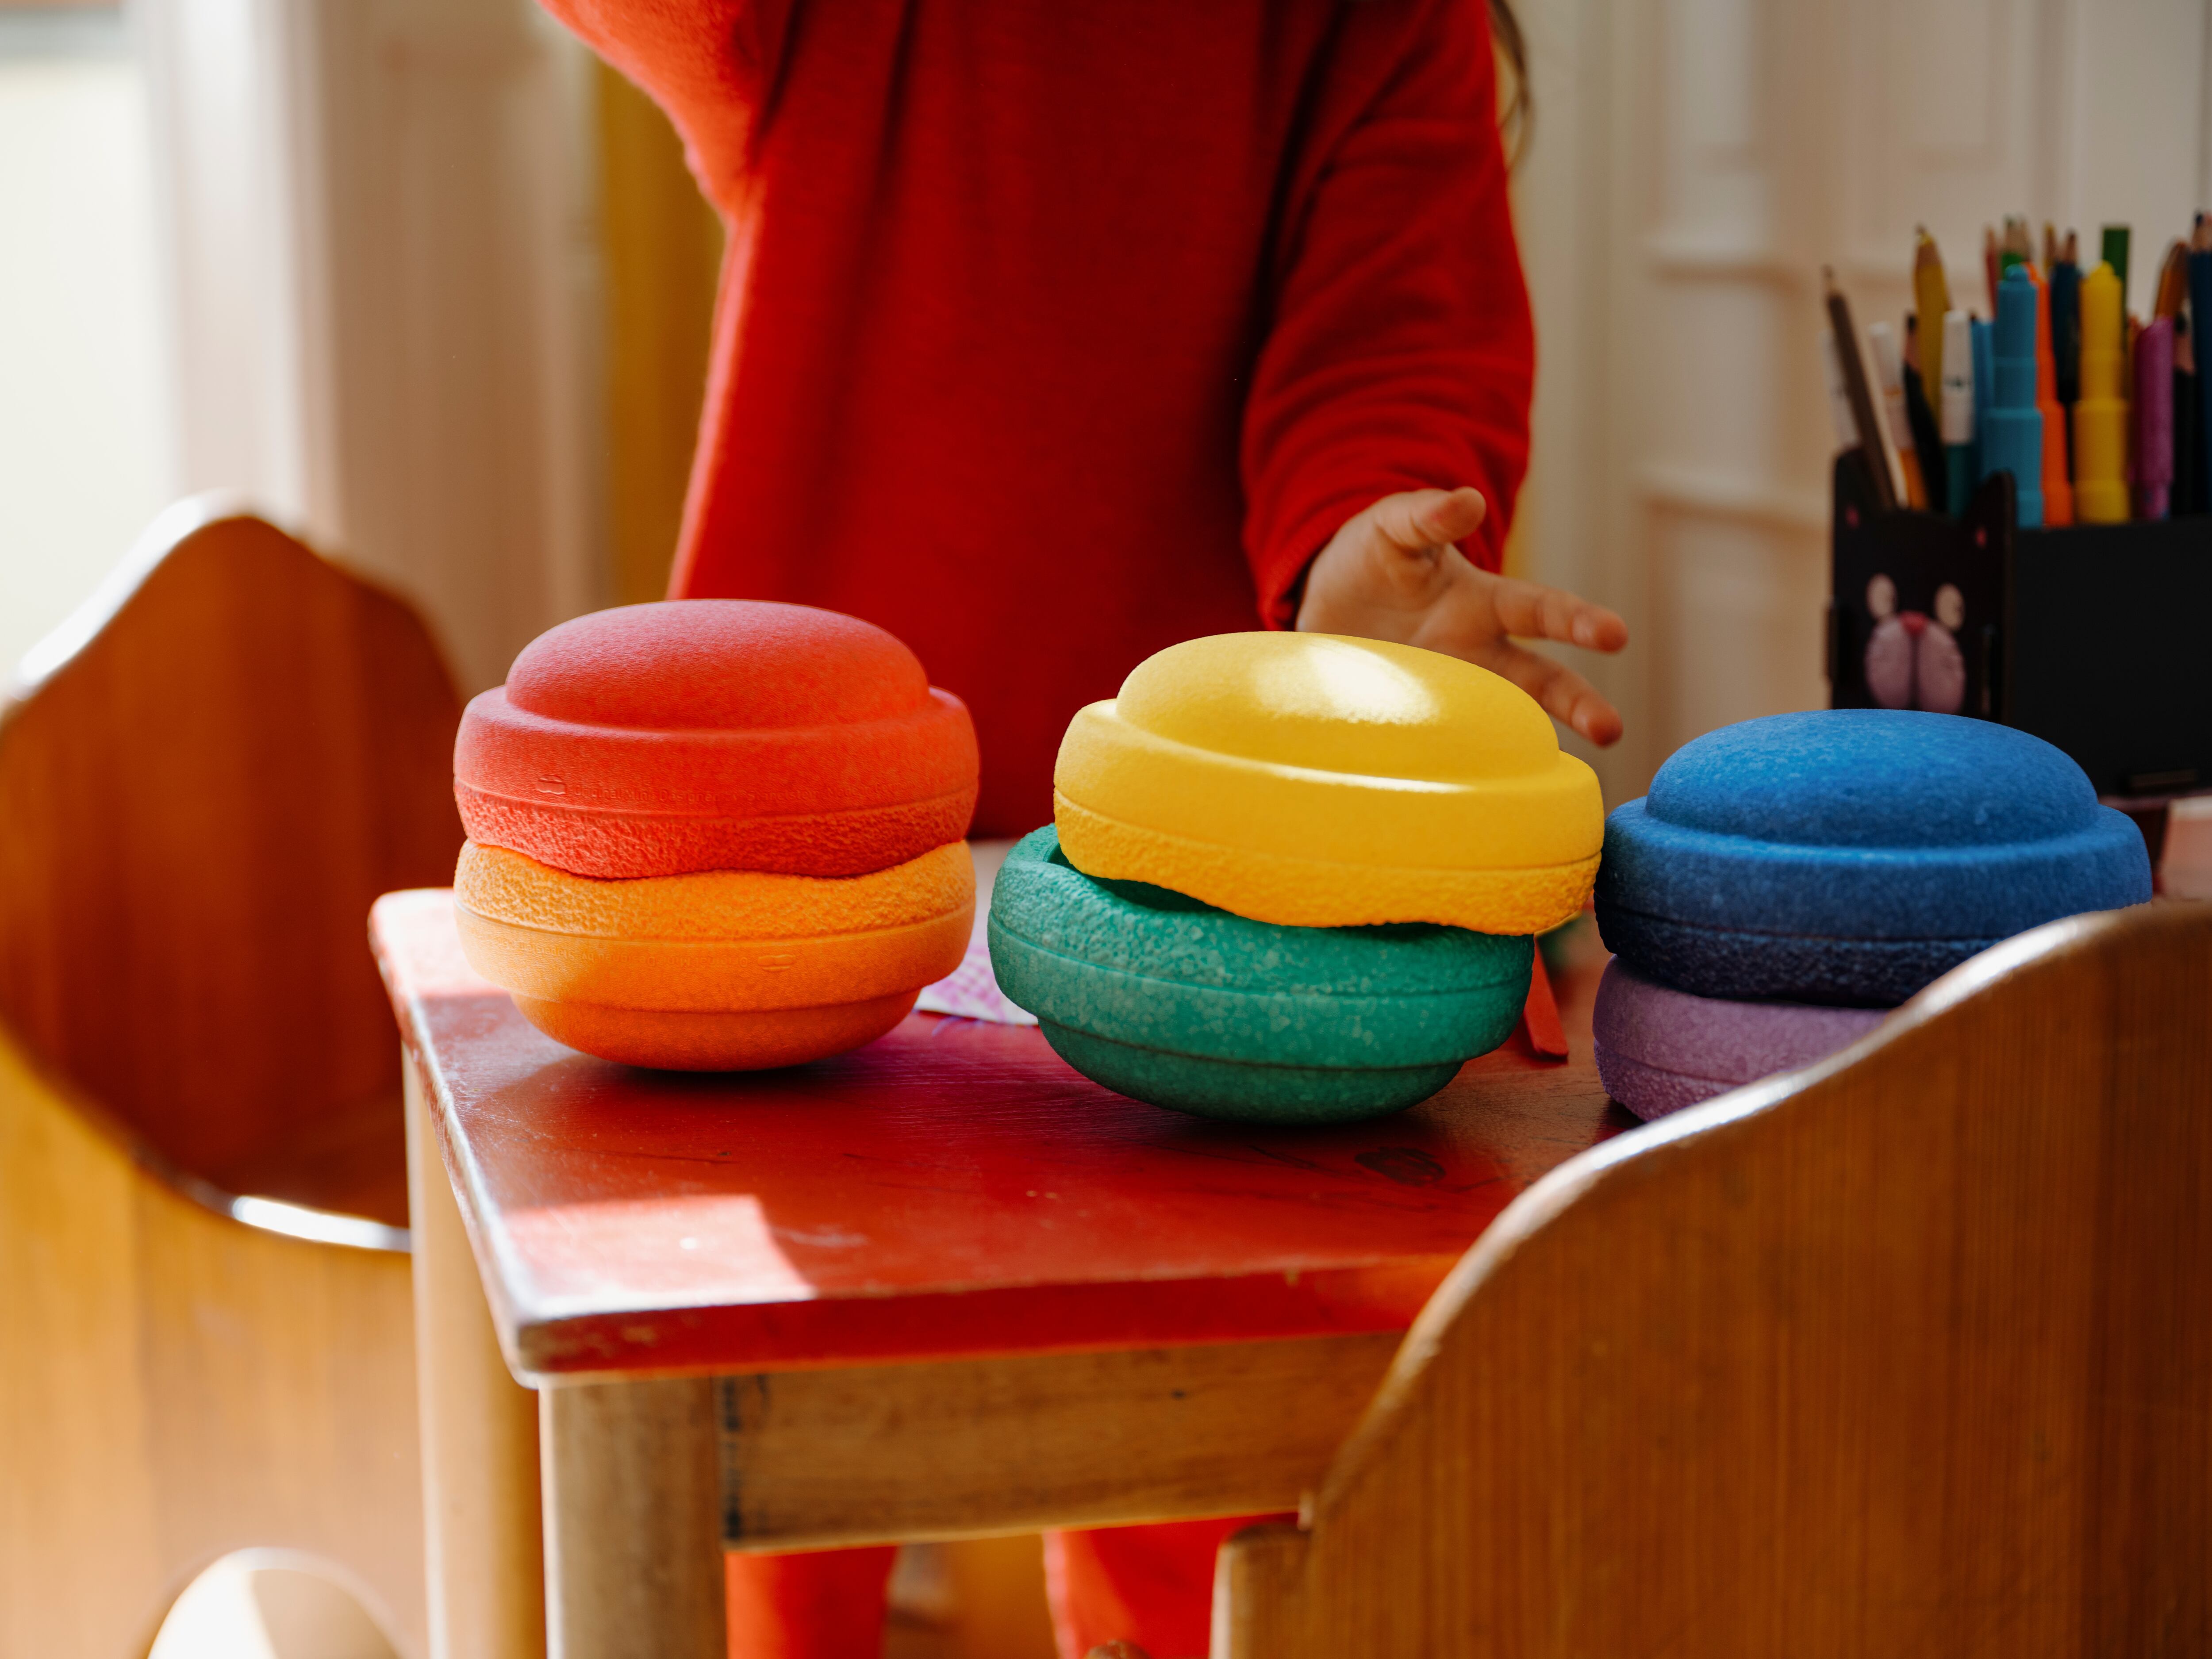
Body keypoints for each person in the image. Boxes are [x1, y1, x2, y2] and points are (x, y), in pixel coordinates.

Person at [538, 1, 1628, 1654]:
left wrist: (1357, 551)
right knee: (752, 1480)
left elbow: (1395, 337)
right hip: (790, 849)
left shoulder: (1379, 17)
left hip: (1211, 880)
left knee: (1190, 1480)